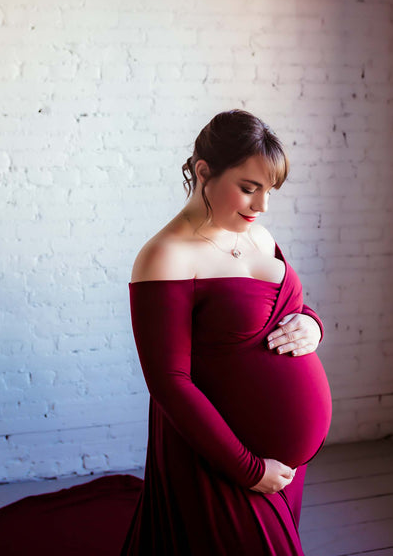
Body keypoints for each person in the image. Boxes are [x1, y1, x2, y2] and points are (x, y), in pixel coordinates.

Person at [120, 109, 332, 555]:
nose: (261, 206)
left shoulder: (256, 234)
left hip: (283, 463)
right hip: (221, 459)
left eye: (269, 191)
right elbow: (168, 382)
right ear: (203, 172)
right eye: (249, 189)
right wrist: (249, 469)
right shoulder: (165, 256)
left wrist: (312, 325)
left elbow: (279, 310)